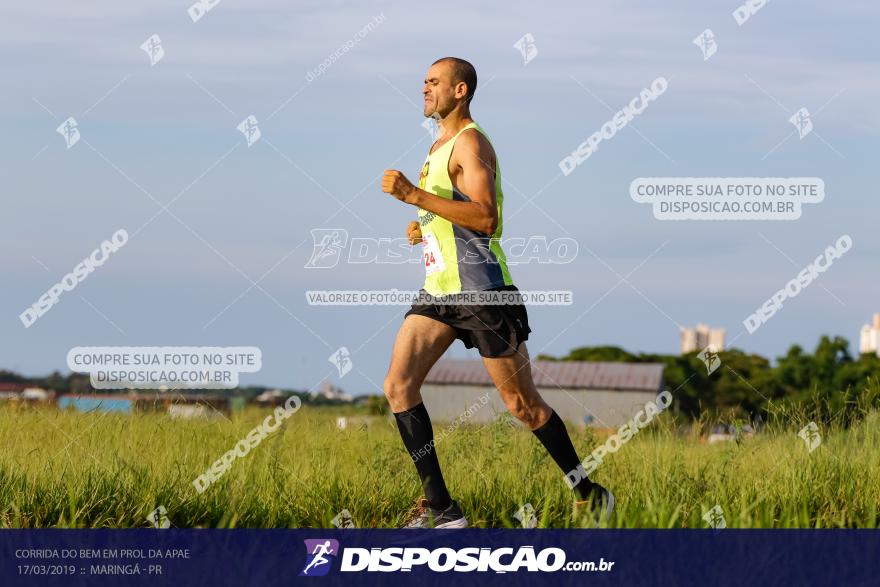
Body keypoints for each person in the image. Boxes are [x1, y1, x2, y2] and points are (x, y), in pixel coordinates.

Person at [380, 57, 613, 529]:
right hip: (439, 294)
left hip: (485, 294)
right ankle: (442, 510)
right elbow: (455, 212)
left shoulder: (471, 142)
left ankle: (589, 492)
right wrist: (423, 226)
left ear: (460, 90)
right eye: (423, 81)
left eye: (434, 82)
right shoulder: (438, 147)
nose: (424, 88)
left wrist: (414, 197)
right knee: (398, 386)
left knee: (522, 406)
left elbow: (487, 219)